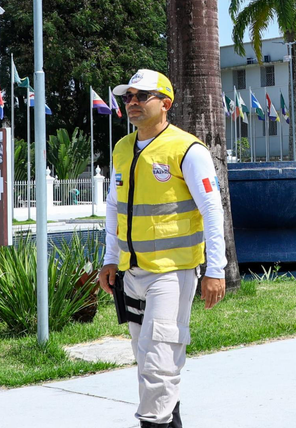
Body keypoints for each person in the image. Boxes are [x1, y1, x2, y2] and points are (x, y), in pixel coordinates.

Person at [97, 69, 227, 428]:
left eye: (142, 96)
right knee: (150, 364)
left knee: (157, 366)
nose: (133, 103)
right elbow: (114, 207)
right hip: (131, 273)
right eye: (128, 97)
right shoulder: (123, 149)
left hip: (171, 274)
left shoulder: (187, 149)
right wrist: (110, 259)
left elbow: (212, 211)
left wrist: (215, 269)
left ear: (165, 103)